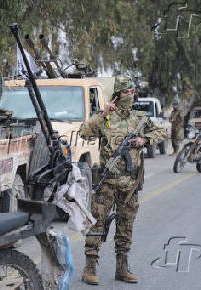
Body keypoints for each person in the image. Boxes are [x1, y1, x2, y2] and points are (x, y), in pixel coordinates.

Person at [79, 75, 167, 285]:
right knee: (97, 225)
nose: (129, 95)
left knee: (125, 227)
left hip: (130, 185)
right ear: (117, 94)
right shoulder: (106, 116)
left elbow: (162, 132)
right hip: (107, 184)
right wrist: (103, 115)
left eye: (131, 92)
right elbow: (84, 133)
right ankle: (90, 268)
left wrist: (144, 139)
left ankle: (122, 268)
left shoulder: (139, 118)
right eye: (125, 92)